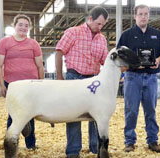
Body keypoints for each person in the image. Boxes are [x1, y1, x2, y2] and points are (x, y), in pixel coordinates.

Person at [55, 6, 109, 158]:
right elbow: (59, 51)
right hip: (74, 78)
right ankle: (73, 151)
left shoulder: (102, 39)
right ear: (90, 19)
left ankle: (94, 148)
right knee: (73, 115)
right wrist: (59, 76)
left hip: (93, 80)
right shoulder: (73, 32)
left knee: (96, 115)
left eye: (102, 25)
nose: (100, 27)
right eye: (98, 24)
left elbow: (105, 61)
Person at [117, 4, 160, 153]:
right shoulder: (127, 35)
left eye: (146, 14)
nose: (143, 16)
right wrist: (132, 64)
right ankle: (129, 141)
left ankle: (152, 141)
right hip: (132, 77)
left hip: (151, 77)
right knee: (131, 110)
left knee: (151, 110)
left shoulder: (157, 35)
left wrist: (158, 60)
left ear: (149, 16)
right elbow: (120, 56)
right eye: (140, 14)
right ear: (135, 16)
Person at [0, 14, 44, 150]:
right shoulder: (4, 42)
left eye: (26, 25)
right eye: (20, 24)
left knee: (31, 114)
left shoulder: (34, 44)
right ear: (14, 26)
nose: (23, 27)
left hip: (31, 85)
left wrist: (41, 84)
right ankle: (11, 143)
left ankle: (31, 145)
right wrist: (0, 85)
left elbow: (40, 65)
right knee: (13, 114)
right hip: (13, 84)